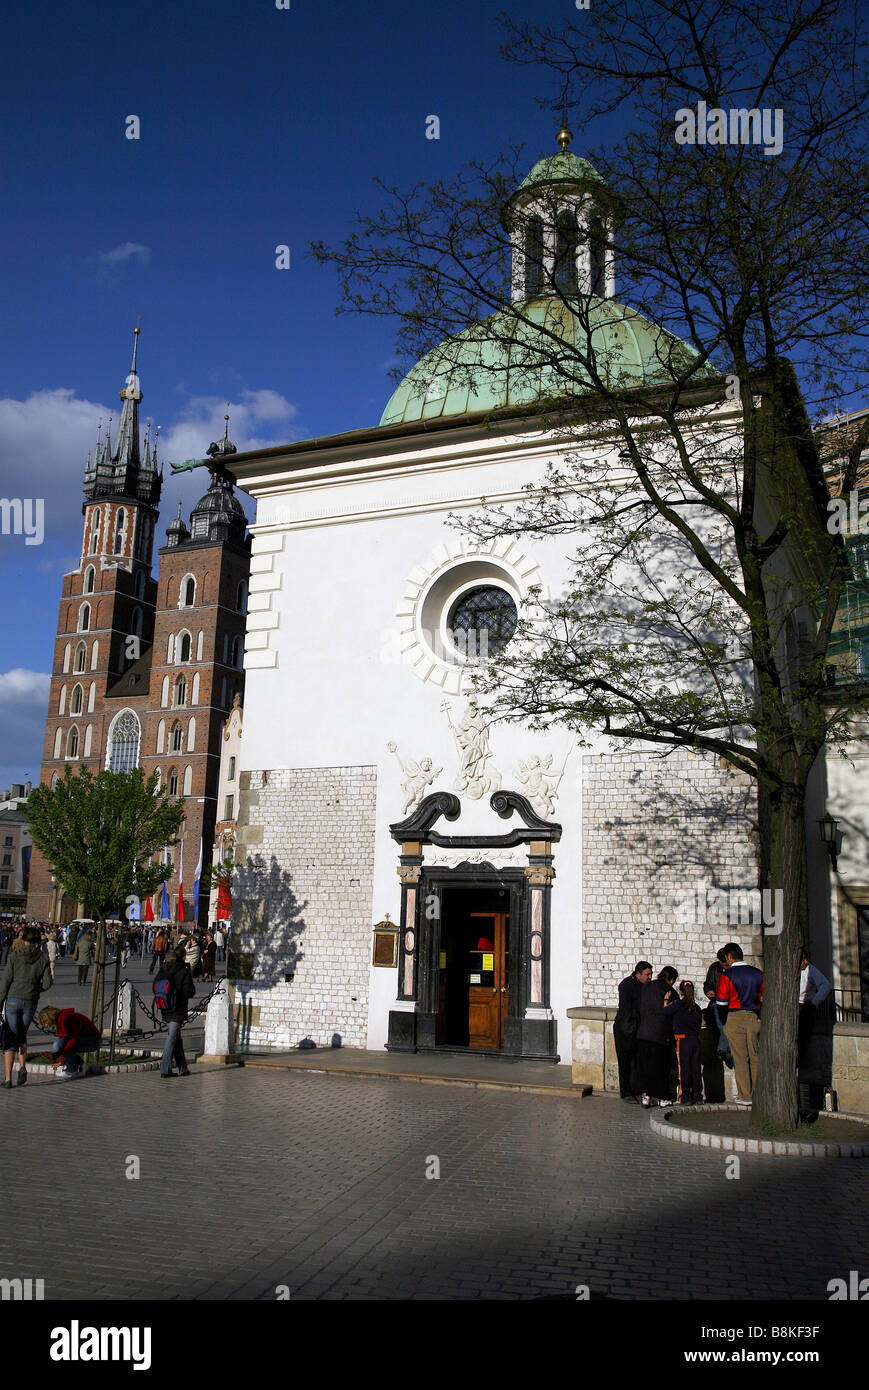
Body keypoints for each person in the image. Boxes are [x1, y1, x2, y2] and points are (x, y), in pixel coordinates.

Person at [0, 926, 52, 1089]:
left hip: (13, 999)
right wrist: (36, 989)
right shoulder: (43, 958)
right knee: (22, 1035)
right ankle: (22, 1067)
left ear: (23, 940)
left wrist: (0, 1001)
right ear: (37, 941)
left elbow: (6, 981)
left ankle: (8, 1079)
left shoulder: (14, 956)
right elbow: (48, 982)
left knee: (10, 1037)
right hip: (30, 1001)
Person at [715, 942, 764, 1105]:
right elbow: (764, 998)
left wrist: (724, 1021)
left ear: (729, 957)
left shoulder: (727, 975)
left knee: (741, 1058)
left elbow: (721, 1002)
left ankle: (745, 1095)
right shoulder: (758, 973)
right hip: (753, 1015)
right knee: (755, 1056)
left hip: (734, 1015)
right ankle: (759, 1093)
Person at [637, 965, 679, 1107]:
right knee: (661, 1067)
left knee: (646, 1067)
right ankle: (662, 1098)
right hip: (660, 1035)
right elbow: (673, 1011)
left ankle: (646, 1096)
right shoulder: (669, 990)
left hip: (643, 1033)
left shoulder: (646, 987)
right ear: (671, 979)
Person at [614, 960, 652, 1102]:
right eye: (647, 974)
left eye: (650, 974)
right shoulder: (626, 985)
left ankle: (638, 1089)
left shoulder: (646, 986)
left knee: (638, 1061)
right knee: (625, 1061)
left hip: (639, 1028)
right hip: (626, 1028)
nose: (649, 977)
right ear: (638, 974)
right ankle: (626, 1092)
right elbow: (626, 1010)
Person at [156, 946, 196, 1079]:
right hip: (177, 1009)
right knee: (171, 1038)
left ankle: (183, 1068)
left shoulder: (165, 967)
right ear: (183, 956)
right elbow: (189, 992)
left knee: (176, 1038)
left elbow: (154, 986)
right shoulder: (183, 971)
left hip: (165, 1007)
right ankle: (165, 1069)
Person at [35, 1005, 101, 1079]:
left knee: (60, 1045)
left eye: (45, 1023)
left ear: (48, 1018)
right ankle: (82, 1065)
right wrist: (63, 1061)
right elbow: (64, 1041)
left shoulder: (66, 1019)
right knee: (59, 1045)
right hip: (86, 1039)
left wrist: (59, 1054)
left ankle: (71, 1071)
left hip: (93, 1041)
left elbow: (72, 1039)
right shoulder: (61, 1020)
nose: (47, 1026)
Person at [665, 979, 703, 1104]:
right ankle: (698, 1096)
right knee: (696, 1069)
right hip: (695, 1041)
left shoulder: (678, 1005)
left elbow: (664, 1011)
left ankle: (685, 1097)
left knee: (684, 1070)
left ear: (680, 991)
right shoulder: (697, 1008)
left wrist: (665, 1000)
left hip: (682, 1041)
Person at [703, 947, 734, 1069]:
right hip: (717, 1002)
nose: (726, 968)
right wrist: (709, 991)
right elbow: (708, 984)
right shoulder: (715, 968)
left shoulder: (733, 970)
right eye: (724, 965)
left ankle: (723, 1049)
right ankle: (723, 1050)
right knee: (720, 1023)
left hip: (730, 1004)